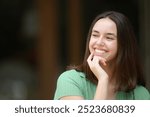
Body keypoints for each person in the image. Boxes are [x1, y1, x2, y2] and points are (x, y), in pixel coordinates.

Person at [54, 11, 150, 100]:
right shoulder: (70, 80)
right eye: (95, 35)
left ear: (124, 44)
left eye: (109, 38)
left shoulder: (139, 94)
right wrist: (103, 79)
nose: (99, 42)